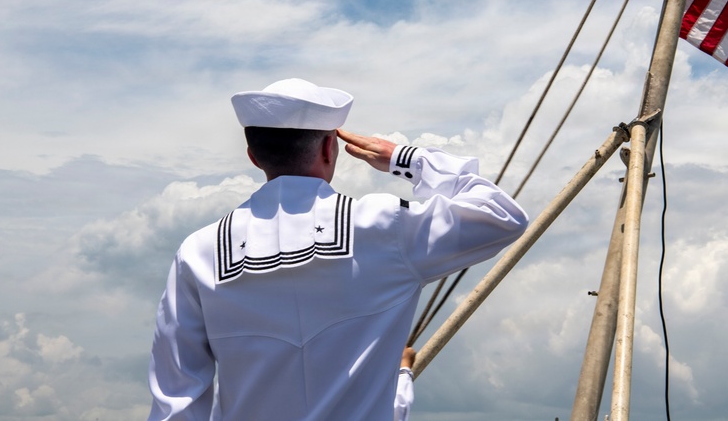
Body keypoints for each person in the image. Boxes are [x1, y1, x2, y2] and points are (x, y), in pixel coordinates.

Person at [147, 78, 529, 420]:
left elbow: (176, 402)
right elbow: (501, 215)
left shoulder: (198, 253)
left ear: (253, 156)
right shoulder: (384, 227)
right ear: (331, 148)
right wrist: (403, 158)